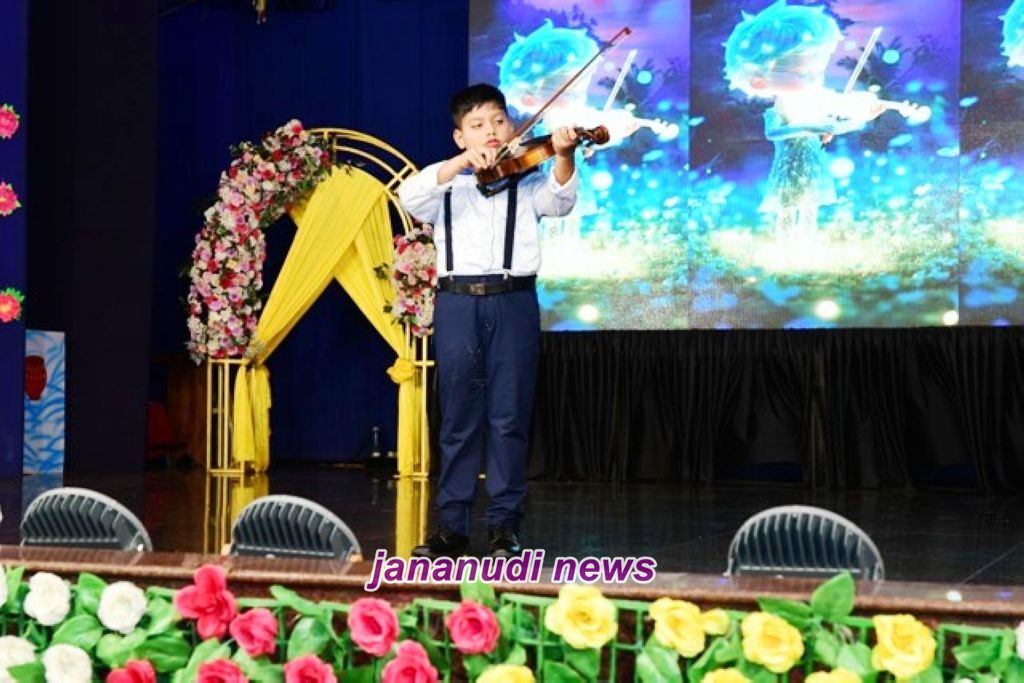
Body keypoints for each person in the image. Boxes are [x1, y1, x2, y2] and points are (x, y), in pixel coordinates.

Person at [398, 83, 580, 558]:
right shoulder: (446, 185)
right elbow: (408, 196)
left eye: (499, 121)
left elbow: (561, 201)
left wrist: (563, 155)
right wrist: (460, 164)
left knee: (510, 416)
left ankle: (504, 525)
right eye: (477, 125)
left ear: (511, 125)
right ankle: (451, 527)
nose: (491, 131)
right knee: (458, 418)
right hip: (458, 304)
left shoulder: (528, 178)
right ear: (460, 137)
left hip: (513, 301)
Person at [723, 1, 884, 235]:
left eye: (817, 71)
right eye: (802, 74)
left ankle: (807, 245)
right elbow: (773, 132)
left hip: (812, 164)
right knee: (787, 208)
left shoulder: (814, 101)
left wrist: (864, 116)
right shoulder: (778, 109)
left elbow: (836, 121)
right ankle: (785, 245)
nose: (815, 80)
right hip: (788, 166)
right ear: (759, 81)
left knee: (810, 208)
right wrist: (813, 127)